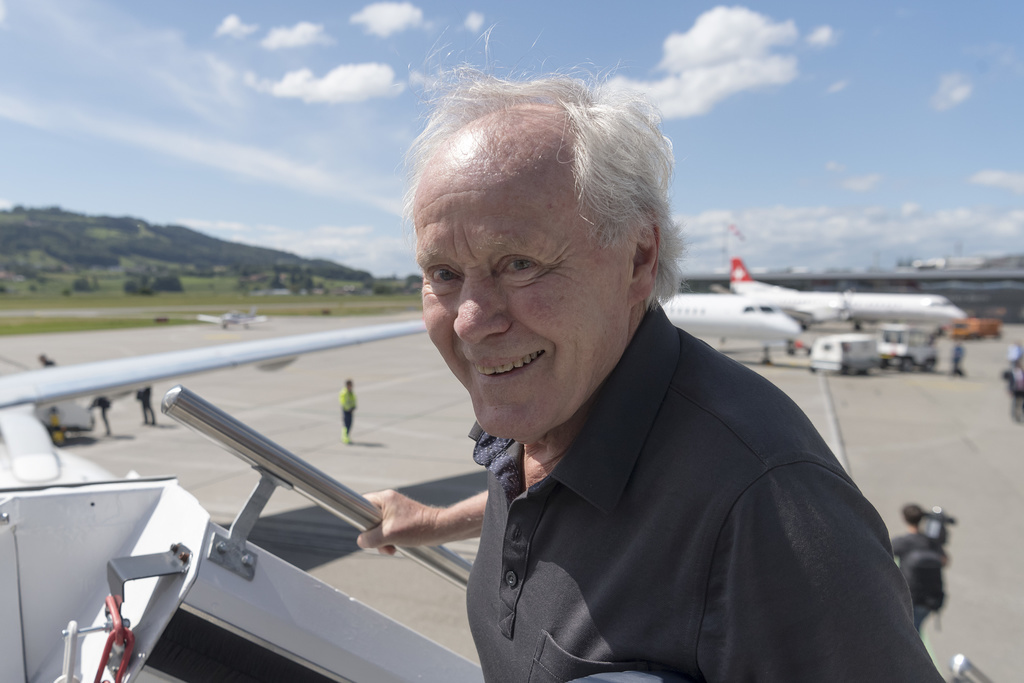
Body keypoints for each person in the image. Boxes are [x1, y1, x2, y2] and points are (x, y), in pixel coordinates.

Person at [356, 72, 940, 681]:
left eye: (519, 263)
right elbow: (566, 499)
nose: (472, 322)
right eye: (444, 273)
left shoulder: (769, 509)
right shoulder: (550, 409)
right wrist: (435, 522)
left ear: (639, 259)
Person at [892, 504, 948, 634]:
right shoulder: (931, 543)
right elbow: (944, 561)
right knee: (915, 631)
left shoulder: (902, 542)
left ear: (904, 518)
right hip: (930, 597)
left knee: (910, 633)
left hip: (910, 596)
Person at [339, 379, 357, 444]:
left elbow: (353, 400)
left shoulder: (351, 392)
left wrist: (354, 406)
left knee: (350, 424)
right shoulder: (344, 392)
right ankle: (344, 437)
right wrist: (348, 408)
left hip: (350, 410)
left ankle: (347, 436)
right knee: (346, 424)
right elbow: (343, 402)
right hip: (346, 410)